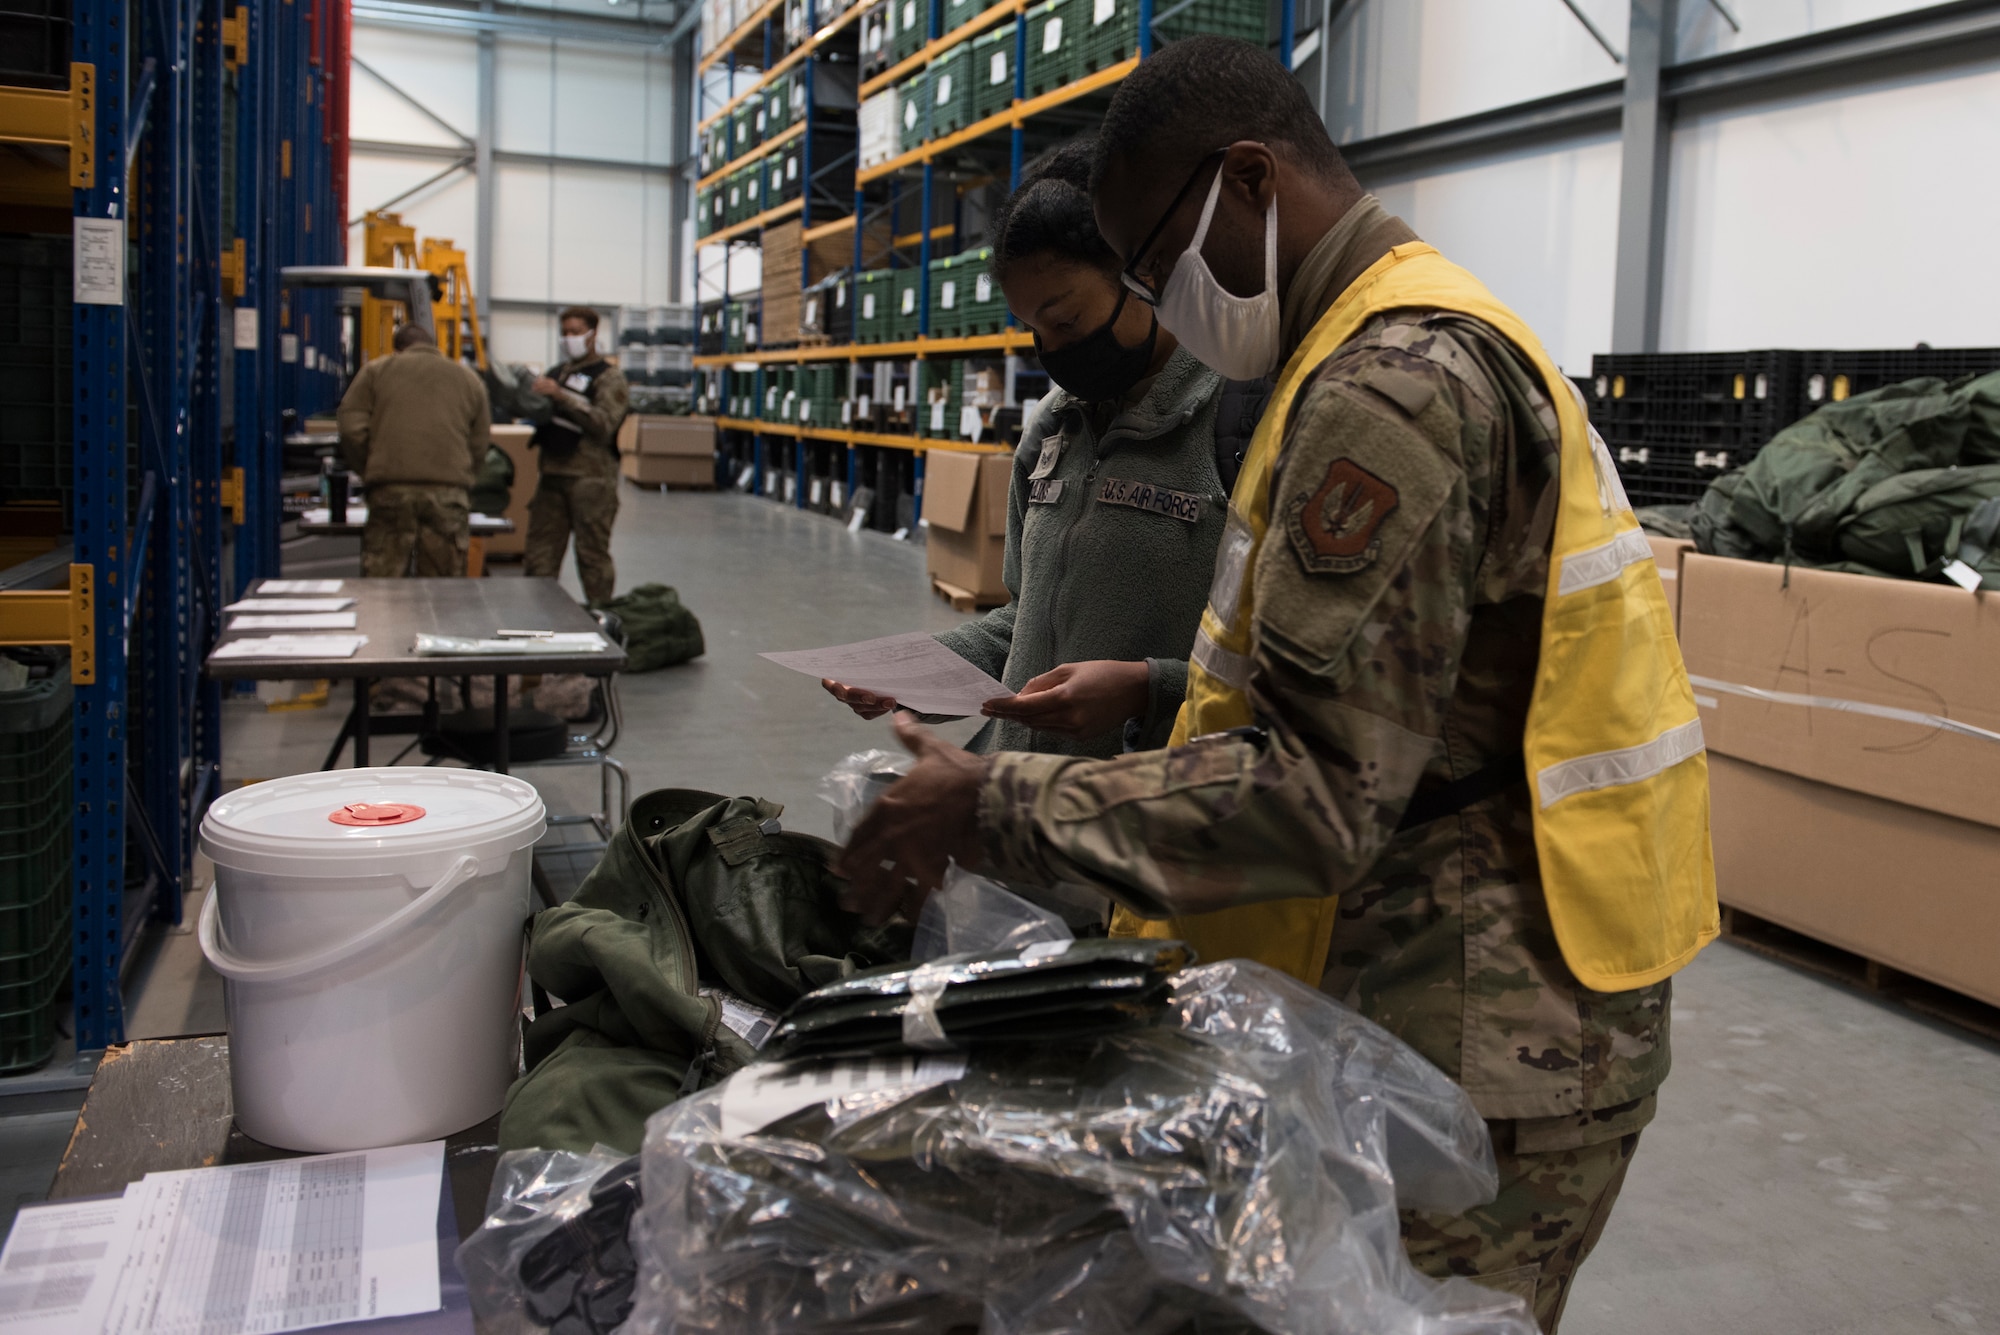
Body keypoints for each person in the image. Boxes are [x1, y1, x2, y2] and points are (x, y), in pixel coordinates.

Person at [834, 36, 1717, 1333]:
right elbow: (1395, 685)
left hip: (1496, 1030)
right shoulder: (1359, 349)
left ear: (1248, 179)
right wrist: (1148, 691)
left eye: (1154, 260)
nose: (1161, 299)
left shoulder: (1390, 390)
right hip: (1452, 982)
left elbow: (1317, 793)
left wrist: (995, 803)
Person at [825, 140, 1262, 759]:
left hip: (1145, 812)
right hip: (1022, 808)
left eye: (1066, 320)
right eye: (1032, 328)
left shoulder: (1241, 423)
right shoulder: (1054, 430)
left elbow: (1287, 673)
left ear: (1143, 278)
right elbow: (1025, 623)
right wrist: (912, 676)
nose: (1052, 350)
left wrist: (1148, 689)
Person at [335, 322, 490, 577]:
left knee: (382, 587)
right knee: (444, 589)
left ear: (398, 350)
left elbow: (351, 428)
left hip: (390, 490)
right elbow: (480, 439)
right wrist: (462, 475)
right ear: (433, 347)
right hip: (448, 494)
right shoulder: (468, 379)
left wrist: (370, 467)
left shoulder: (376, 372)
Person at [525, 305, 629, 604]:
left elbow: (604, 424)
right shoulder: (557, 372)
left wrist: (562, 397)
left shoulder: (608, 378)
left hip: (591, 481)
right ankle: (535, 620)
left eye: (575, 332)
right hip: (552, 477)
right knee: (539, 557)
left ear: (592, 334)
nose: (568, 338)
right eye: (564, 333)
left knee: (592, 556)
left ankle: (601, 617)